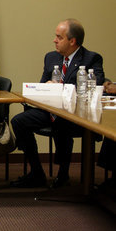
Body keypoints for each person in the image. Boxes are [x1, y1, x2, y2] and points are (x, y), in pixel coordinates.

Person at [11, 19, 104, 188]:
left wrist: (61, 88)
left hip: (76, 114)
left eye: (59, 37)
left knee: (62, 123)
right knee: (19, 121)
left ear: (72, 41)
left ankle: (63, 173)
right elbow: (42, 86)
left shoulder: (91, 59)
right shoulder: (51, 57)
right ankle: (37, 172)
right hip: (50, 110)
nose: (54, 40)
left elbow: (95, 86)